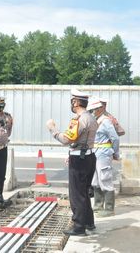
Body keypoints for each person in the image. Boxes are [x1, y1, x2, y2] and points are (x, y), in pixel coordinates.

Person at [46, 89, 98, 236]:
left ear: (75, 102)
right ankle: (88, 222)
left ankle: (79, 226)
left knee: (77, 194)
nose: (72, 104)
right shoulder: (91, 118)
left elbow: (66, 139)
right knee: (85, 192)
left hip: (79, 159)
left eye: (72, 101)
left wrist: (53, 129)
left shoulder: (80, 119)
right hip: (89, 156)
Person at [87, 97, 120, 217]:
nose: (92, 112)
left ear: (101, 108)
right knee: (95, 180)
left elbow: (115, 138)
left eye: (94, 109)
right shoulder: (96, 120)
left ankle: (109, 209)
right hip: (95, 152)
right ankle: (98, 205)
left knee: (105, 179)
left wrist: (115, 153)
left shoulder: (105, 121)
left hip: (104, 152)